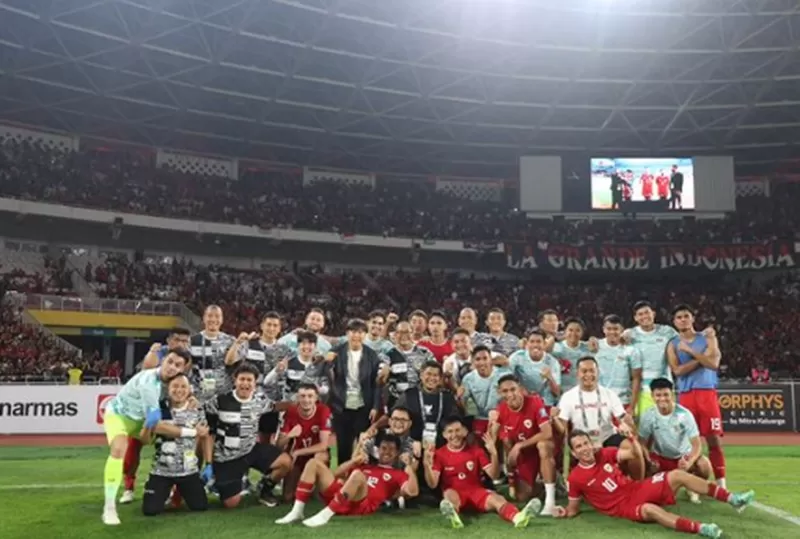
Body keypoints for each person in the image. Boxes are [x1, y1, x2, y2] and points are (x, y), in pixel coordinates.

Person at [555, 430, 754, 538]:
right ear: (573, 453)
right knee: (650, 509)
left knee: (677, 474)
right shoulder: (575, 478)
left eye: (586, 443)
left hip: (636, 488)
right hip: (622, 506)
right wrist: (564, 512)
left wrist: (631, 437)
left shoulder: (604, 453)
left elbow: (632, 454)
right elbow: (573, 508)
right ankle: (701, 529)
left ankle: (732, 499)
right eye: (579, 446)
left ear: (592, 443)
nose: (584, 449)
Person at [101, 348, 191, 525]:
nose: (172, 367)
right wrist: (189, 432)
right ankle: (109, 508)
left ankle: (173, 490)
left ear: (182, 369)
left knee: (172, 444)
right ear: (163, 360)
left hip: (142, 420)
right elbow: (153, 420)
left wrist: (190, 400)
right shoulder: (148, 381)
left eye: (177, 365)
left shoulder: (175, 383)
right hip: (120, 416)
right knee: (119, 450)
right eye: (170, 361)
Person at [275, 434, 419, 527]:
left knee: (357, 475)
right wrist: (353, 461)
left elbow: (412, 492)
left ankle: (325, 515)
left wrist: (409, 468)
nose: (386, 452)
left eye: (391, 449)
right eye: (383, 448)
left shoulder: (398, 473)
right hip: (341, 495)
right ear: (377, 450)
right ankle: (297, 511)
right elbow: (335, 474)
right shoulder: (366, 465)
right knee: (313, 463)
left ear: (397, 453)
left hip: (361, 504)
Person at [424, 416, 541, 529]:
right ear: (444, 435)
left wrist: (494, 454)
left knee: (497, 499)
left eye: (457, 430)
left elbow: (494, 475)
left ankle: (518, 518)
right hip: (455, 493)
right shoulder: (439, 454)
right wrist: (427, 466)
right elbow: (433, 484)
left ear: (464, 431)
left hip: (476, 492)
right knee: (449, 495)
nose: (454, 435)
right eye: (450, 432)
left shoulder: (476, 451)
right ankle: (454, 516)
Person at [205, 363, 292, 508]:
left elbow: (276, 406)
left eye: (249, 380)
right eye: (242, 379)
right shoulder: (220, 401)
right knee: (231, 504)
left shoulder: (259, 401)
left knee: (285, 462)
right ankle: (218, 481)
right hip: (227, 456)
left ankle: (264, 490)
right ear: (235, 380)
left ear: (255, 383)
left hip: (251, 449)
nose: (245, 383)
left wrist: (299, 403)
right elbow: (203, 416)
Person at [121, 327, 192, 504]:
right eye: (177, 339)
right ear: (169, 341)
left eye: (185, 341)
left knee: (172, 448)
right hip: (144, 410)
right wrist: (153, 351)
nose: (181, 343)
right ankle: (128, 487)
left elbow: (183, 385)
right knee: (133, 448)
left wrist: (191, 398)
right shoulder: (158, 355)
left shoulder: (186, 361)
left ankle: (169, 488)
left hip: (168, 409)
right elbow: (147, 368)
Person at [552, 356, 643, 478]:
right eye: (584, 371)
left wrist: (626, 423)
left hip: (607, 437)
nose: (588, 374)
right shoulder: (568, 397)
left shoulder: (609, 394)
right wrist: (554, 419)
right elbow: (562, 430)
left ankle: (638, 487)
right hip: (584, 442)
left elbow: (623, 419)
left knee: (634, 450)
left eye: (592, 371)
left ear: (598, 372)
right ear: (577, 373)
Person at [666, 305, 726, 488]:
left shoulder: (707, 337)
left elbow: (714, 363)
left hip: (707, 392)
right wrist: (702, 359)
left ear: (692, 318)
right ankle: (693, 484)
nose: (683, 319)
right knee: (688, 442)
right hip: (686, 395)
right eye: (679, 317)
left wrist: (691, 352)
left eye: (686, 316)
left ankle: (721, 483)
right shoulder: (673, 343)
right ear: (674, 322)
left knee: (713, 439)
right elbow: (677, 371)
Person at [139, 373, 211, 516]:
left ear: (189, 389)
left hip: (188, 471)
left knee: (200, 506)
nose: (179, 390)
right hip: (161, 471)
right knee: (150, 510)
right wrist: (148, 426)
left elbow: (204, 435)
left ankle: (179, 492)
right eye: (175, 386)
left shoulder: (196, 409)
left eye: (183, 386)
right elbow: (145, 440)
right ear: (168, 388)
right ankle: (164, 491)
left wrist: (209, 464)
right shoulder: (159, 408)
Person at [639, 378, 712, 503]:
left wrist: (689, 462)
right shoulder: (648, 415)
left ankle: (693, 487)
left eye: (666, 394)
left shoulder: (684, 414)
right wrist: (648, 460)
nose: (662, 399)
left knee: (704, 465)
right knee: (643, 467)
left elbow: (697, 444)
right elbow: (641, 443)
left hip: (682, 458)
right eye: (658, 395)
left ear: (672, 394)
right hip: (660, 458)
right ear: (652, 396)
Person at [224, 311, 291, 441]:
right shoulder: (250, 344)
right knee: (244, 436)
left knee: (266, 438)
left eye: (275, 325)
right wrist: (237, 342)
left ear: (279, 329)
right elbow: (229, 361)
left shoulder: (284, 350)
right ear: (262, 326)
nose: (271, 328)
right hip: (249, 398)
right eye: (269, 324)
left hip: (271, 401)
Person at [494, 374, 556, 513]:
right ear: (499, 392)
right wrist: (511, 479)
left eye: (513, 389)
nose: (510, 394)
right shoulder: (502, 409)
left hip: (543, 448)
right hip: (526, 455)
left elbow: (547, 432)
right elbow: (506, 444)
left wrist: (520, 445)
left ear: (520, 389)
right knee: (521, 496)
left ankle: (550, 503)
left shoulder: (534, 401)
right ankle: (549, 483)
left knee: (543, 446)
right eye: (505, 391)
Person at [327, 318, 384, 465]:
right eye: (353, 332)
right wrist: (327, 363)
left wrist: (375, 406)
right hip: (341, 405)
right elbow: (326, 377)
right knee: (343, 446)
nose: (356, 335)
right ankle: (342, 480)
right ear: (347, 333)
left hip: (364, 405)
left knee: (365, 445)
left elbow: (377, 383)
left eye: (360, 332)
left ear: (365, 334)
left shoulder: (372, 355)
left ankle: (365, 479)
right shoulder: (336, 352)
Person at [275, 383, 332, 502]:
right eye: (303, 396)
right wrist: (290, 435)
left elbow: (323, 445)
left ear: (316, 398)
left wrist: (298, 452)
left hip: (314, 455)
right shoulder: (291, 412)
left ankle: (316, 487)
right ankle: (304, 485)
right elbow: (279, 445)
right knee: (288, 497)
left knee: (320, 456)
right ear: (297, 398)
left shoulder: (323, 411)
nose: (306, 400)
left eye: (310, 396)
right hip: (297, 459)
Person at [623, 301, 678, 419]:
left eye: (647, 312)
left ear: (653, 313)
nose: (644, 316)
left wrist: (704, 334)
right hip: (641, 390)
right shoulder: (629, 334)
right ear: (636, 318)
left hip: (665, 387)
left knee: (667, 426)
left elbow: (685, 341)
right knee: (643, 429)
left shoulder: (667, 331)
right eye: (640, 314)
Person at [396, 360, 459, 447]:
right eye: (428, 374)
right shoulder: (409, 395)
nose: (432, 378)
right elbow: (394, 418)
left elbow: (455, 421)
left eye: (435, 375)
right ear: (421, 375)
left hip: (442, 445)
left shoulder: (447, 397)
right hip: (413, 445)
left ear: (440, 378)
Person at [381, 321, 436, 409]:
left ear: (412, 333)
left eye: (407, 332)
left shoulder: (425, 353)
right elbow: (380, 381)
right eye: (400, 332)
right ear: (395, 335)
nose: (404, 335)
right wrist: (383, 373)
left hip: (421, 399)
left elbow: (436, 373)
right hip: (397, 401)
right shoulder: (388, 354)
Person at [595, 315, 643, 413]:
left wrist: (632, 406)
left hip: (623, 402)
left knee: (624, 429)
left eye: (616, 329)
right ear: (603, 329)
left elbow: (636, 378)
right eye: (609, 329)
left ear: (622, 330)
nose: (612, 332)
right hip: (599, 402)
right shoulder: (596, 347)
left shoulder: (632, 350)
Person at [188, 305, 236, 402]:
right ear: (204, 318)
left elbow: (235, 367)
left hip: (224, 395)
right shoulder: (192, 341)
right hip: (199, 397)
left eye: (217, 316)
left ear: (222, 319)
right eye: (210, 316)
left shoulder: (230, 341)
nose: (213, 319)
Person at [458, 345, 508, 439]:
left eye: (485, 358)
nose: (482, 362)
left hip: (503, 417)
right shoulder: (468, 379)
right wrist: (459, 397)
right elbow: (463, 405)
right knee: (475, 441)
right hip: (480, 418)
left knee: (503, 437)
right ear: (473, 362)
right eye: (478, 359)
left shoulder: (503, 375)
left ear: (491, 360)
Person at [505, 329, 562, 406]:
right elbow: (506, 380)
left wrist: (550, 378)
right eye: (532, 342)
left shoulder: (553, 362)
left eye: (538, 342)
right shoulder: (517, 357)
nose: (535, 345)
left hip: (544, 403)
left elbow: (557, 393)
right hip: (522, 401)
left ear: (544, 343)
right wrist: (521, 389)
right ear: (527, 343)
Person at [550, 317, 595, 393]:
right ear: (565, 332)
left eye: (577, 330)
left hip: (582, 392)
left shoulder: (588, 349)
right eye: (570, 330)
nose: (573, 333)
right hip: (561, 393)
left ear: (582, 332)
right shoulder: (556, 348)